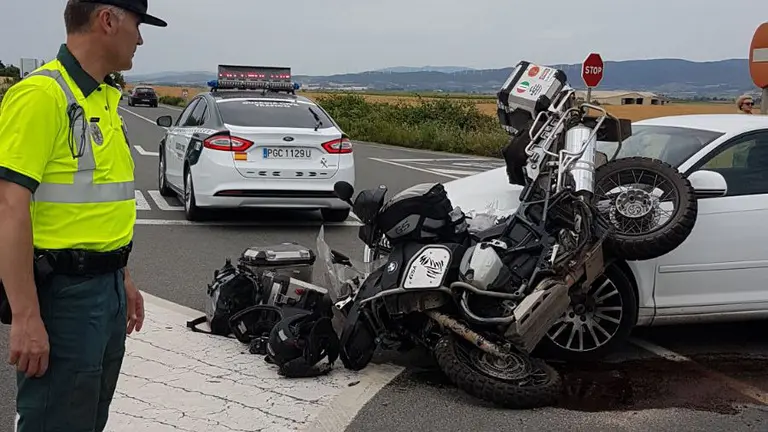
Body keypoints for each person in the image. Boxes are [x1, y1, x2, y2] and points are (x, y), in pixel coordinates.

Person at [0, 1, 166, 431]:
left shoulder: (104, 99)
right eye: (137, 24)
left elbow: (97, 207)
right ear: (107, 20)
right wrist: (25, 315)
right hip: (63, 298)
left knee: (87, 420)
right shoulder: (42, 96)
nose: (141, 38)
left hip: (105, 292)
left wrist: (122, 276)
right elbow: (9, 207)